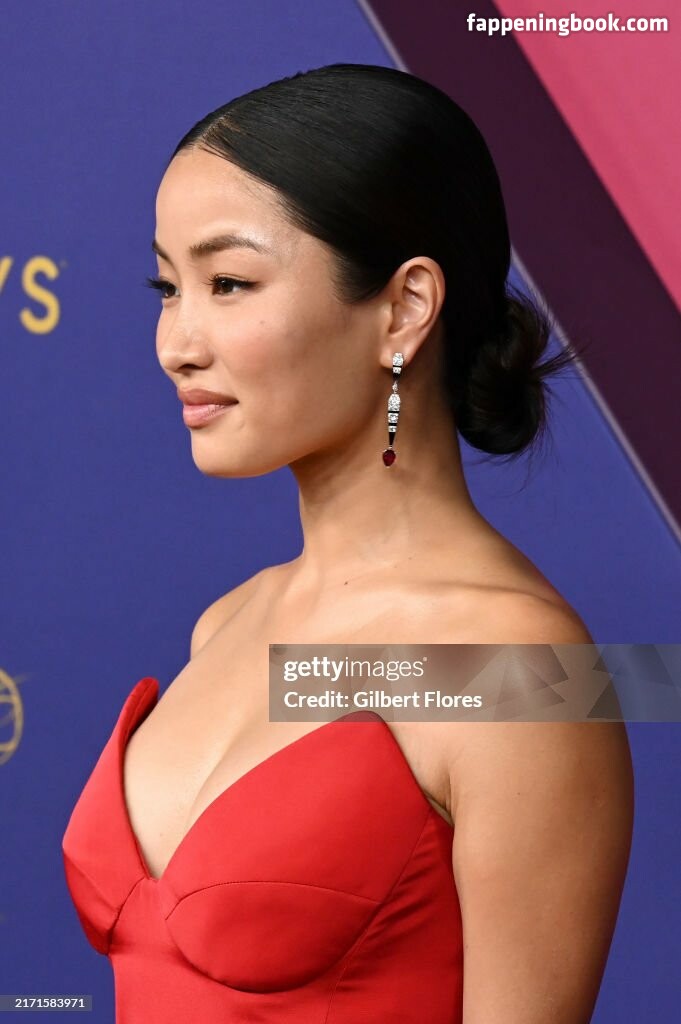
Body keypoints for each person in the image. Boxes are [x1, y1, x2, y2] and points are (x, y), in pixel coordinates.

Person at [62, 63, 634, 1022]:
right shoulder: (226, 624)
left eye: (229, 283)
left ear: (404, 308)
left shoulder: (515, 671)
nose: (176, 345)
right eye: (168, 286)